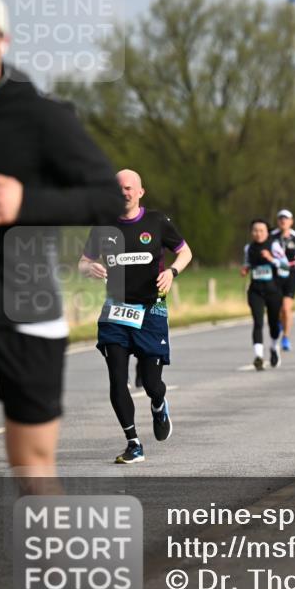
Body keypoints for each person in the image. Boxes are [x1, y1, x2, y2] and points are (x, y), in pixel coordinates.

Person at [0, 0, 123, 589]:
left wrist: (24, 203)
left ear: (1, 40)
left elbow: (108, 198)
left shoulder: (40, 117)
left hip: (28, 303)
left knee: (31, 466)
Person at [80, 169, 192, 464]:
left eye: (129, 188)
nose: (124, 193)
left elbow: (185, 252)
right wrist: (88, 268)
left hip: (151, 311)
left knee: (152, 383)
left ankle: (158, 403)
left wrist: (172, 271)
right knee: (118, 379)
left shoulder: (156, 222)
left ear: (140, 192)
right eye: (118, 189)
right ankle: (133, 443)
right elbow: (83, 261)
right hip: (115, 312)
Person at [241, 219, 285, 370]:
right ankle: (258, 356)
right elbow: (247, 263)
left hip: (273, 290)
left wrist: (272, 259)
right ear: (251, 232)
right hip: (256, 291)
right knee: (258, 322)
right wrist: (245, 269)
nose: (258, 233)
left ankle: (274, 347)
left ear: (267, 232)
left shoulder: (274, 245)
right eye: (255, 230)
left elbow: (285, 264)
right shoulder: (249, 248)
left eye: (261, 230)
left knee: (274, 323)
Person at [271, 209, 295, 351]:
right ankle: (281, 322)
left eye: (286, 219)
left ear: (291, 221)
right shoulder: (271, 236)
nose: (283, 221)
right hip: (275, 273)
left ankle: (286, 337)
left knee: (286, 308)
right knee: (277, 308)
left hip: (292, 273)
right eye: (280, 219)